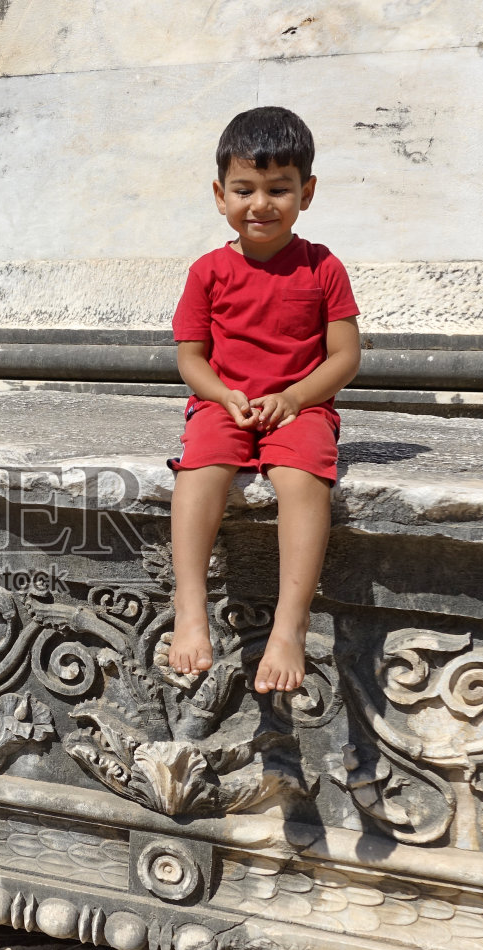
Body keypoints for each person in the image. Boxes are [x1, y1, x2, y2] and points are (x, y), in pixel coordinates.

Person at [164, 106, 361, 694]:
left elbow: (345, 356)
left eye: (279, 189)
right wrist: (221, 396)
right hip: (223, 404)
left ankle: (290, 624)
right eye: (244, 189)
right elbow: (191, 358)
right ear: (220, 195)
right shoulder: (208, 272)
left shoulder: (322, 267)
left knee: (302, 479)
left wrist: (296, 398)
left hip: (302, 408)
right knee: (200, 469)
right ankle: (190, 606)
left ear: (307, 193)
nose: (261, 204)